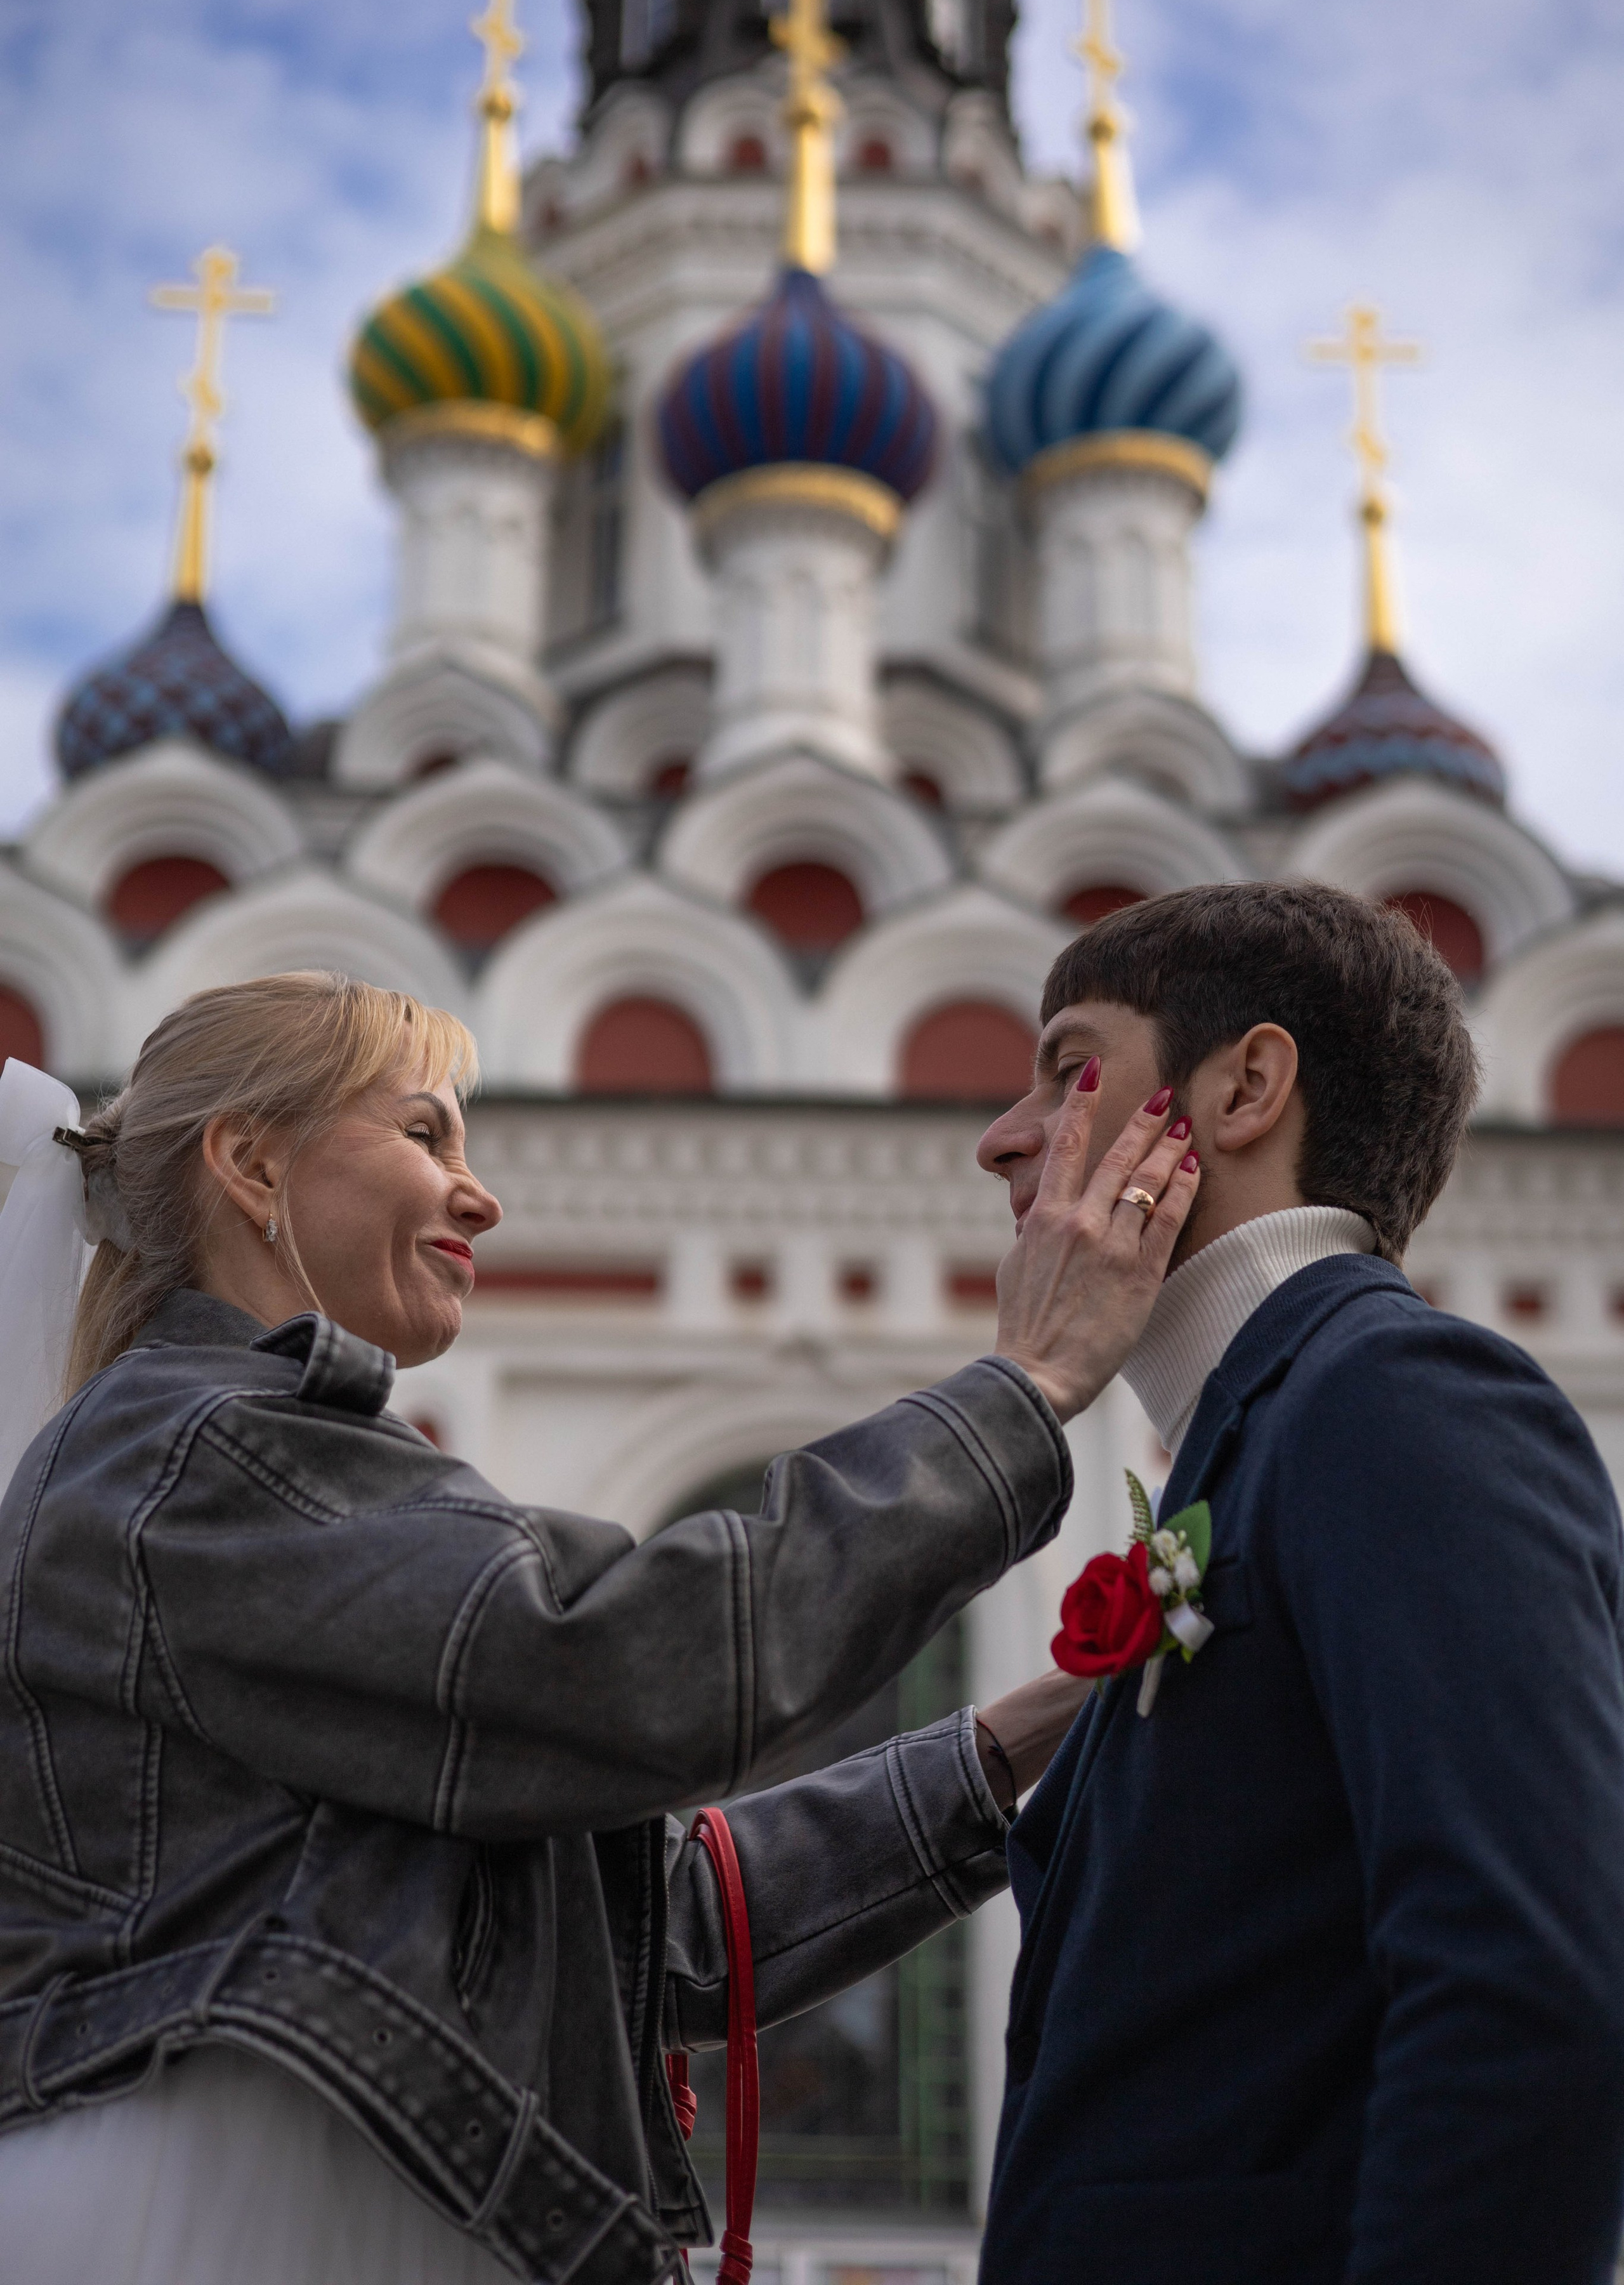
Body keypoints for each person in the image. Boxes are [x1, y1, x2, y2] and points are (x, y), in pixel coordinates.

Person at [0, 970, 1199, 2285]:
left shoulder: (228, 1459)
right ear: (248, 1161)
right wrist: (1025, 1389)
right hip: (239, 2217)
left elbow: (652, 1926)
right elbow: (615, 1673)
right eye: (423, 1134)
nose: (481, 1194)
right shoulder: (206, 1455)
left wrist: (1024, 1733)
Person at [974, 881, 1624, 2285]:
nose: (999, 1140)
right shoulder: (1261, 1439)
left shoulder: (1398, 1397)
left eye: (1067, 1066)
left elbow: (1522, 1994)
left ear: (1242, 1087)